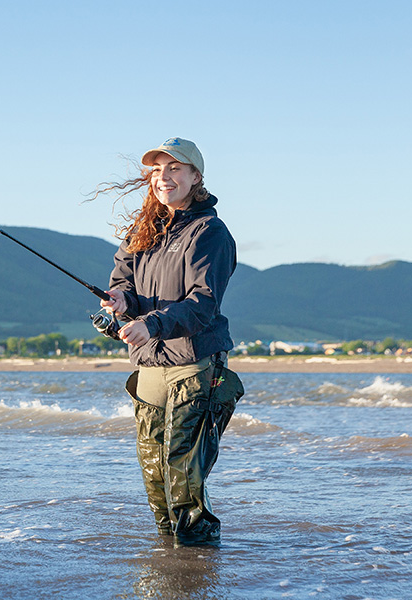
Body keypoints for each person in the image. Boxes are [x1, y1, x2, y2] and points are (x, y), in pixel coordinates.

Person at [97, 137, 243, 546]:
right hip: (149, 366)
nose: (165, 177)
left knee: (184, 477)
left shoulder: (209, 231)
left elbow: (203, 303)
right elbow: (122, 285)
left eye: (175, 169)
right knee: (155, 476)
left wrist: (152, 324)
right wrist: (122, 302)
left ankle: (199, 563)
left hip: (196, 365)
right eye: (157, 170)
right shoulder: (140, 232)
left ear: (196, 177)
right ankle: (171, 564)